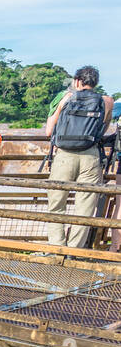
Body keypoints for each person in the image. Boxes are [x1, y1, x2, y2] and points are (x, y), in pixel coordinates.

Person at [44, 66, 113, 249]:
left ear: (77, 81)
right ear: (95, 83)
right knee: (85, 206)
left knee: (57, 202)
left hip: (64, 155)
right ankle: (74, 250)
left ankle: (56, 248)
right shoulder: (106, 101)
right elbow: (102, 129)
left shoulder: (66, 98)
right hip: (90, 156)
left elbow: (49, 131)